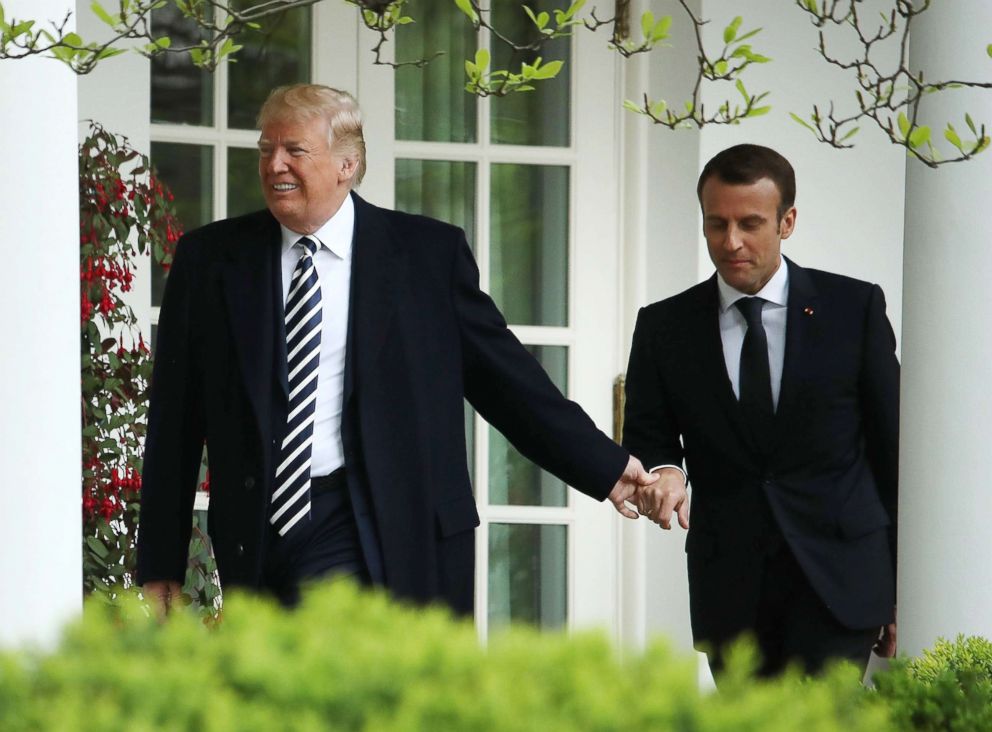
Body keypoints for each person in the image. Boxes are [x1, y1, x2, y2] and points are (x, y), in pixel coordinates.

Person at [137, 84, 655, 614]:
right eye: (266, 149)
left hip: (392, 519)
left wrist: (606, 468)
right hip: (260, 528)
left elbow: (510, 385)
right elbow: (175, 418)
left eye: (295, 150)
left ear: (347, 163)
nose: (275, 165)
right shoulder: (211, 261)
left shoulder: (426, 256)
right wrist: (160, 560)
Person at [622, 144, 899, 677]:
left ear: (787, 221)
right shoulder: (665, 327)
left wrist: (900, 585)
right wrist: (666, 471)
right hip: (730, 590)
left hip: (839, 581)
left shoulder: (853, 309)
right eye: (716, 224)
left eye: (750, 223)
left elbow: (892, 451)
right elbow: (648, 434)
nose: (731, 243)